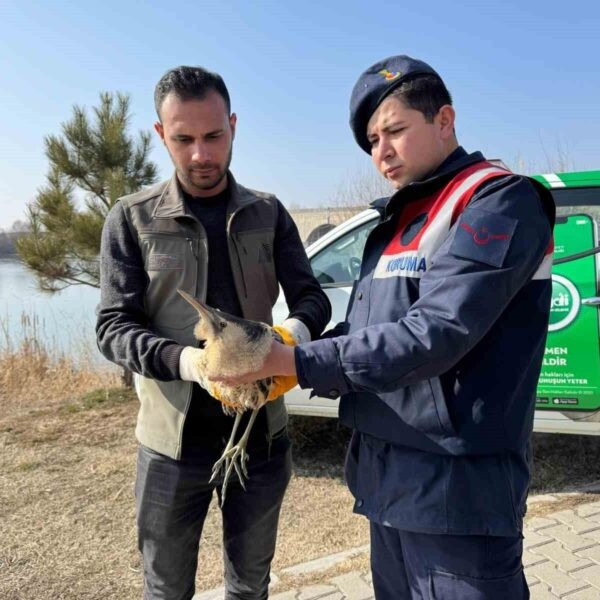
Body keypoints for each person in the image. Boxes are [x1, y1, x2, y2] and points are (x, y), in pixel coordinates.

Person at [216, 55, 555, 599]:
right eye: (372, 141)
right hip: (388, 486)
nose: (382, 153)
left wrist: (295, 364)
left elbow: (435, 332)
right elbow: (369, 326)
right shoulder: (399, 219)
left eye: (395, 130)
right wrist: (287, 350)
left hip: (457, 494)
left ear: (444, 120)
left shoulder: (496, 201)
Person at [96, 65, 331, 600]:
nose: (201, 154)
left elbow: (311, 298)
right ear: (161, 135)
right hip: (168, 447)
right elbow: (113, 327)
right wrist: (193, 365)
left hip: (260, 438)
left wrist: (281, 343)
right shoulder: (130, 219)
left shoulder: (268, 213)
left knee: (250, 586)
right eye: (183, 139)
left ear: (234, 125)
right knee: (166, 588)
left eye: (213, 136)